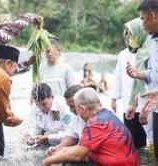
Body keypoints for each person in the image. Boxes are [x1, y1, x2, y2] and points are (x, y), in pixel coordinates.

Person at [0, 13, 42, 158]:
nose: (9, 33)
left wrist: (28, 64)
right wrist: (31, 18)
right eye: (7, 28)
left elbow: (9, 69)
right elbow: (12, 31)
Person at [42, 88, 139, 166]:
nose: (74, 112)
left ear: (81, 108)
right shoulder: (107, 115)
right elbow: (79, 146)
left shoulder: (95, 122)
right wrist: (61, 150)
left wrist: (47, 161)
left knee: (70, 162)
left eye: (75, 109)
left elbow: (77, 155)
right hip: (127, 162)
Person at [127, 0, 158, 159]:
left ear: (152, 16)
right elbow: (154, 73)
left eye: (142, 18)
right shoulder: (153, 43)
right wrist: (138, 74)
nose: (142, 24)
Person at [111, 18, 148, 151]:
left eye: (130, 37)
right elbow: (118, 77)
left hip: (147, 104)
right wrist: (114, 98)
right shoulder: (123, 55)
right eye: (126, 39)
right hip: (129, 103)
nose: (128, 41)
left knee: (149, 139)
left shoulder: (147, 53)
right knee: (132, 139)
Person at [46, 85, 85, 156]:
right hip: (55, 136)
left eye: (73, 106)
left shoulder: (59, 109)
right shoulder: (75, 114)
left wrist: (47, 138)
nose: (70, 110)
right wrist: (57, 148)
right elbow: (72, 135)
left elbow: (61, 129)